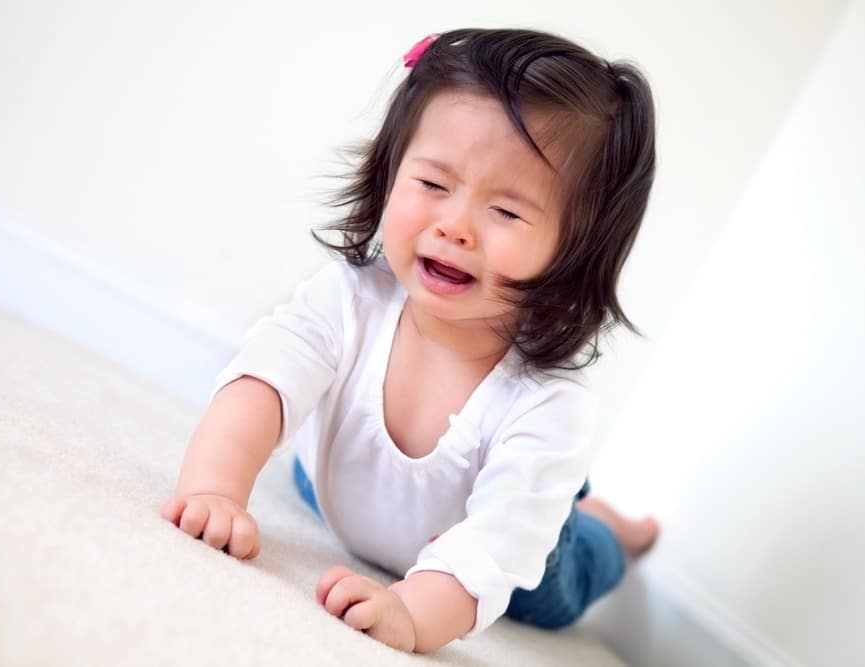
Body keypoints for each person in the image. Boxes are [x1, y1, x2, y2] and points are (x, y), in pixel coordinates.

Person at [161, 28, 660, 654]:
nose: (454, 226)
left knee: (571, 567)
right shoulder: (347, 300)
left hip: (519, 545)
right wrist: (213, 488)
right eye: (432, 185)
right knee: (306, 477)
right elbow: (264, 380)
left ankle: (607, 527)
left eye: (506, 212)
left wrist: (413, 614)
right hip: (348, 495)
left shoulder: (548, 406)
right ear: (390, 174)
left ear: (575, 252)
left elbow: (495, 547)